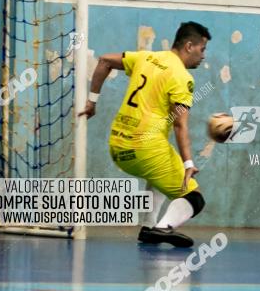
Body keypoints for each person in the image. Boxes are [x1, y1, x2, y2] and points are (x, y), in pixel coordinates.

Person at [78, 21, 211, 247]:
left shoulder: (144, 57)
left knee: (159, 174)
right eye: (202, 49)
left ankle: (148, 227)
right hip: (145, 148)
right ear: (189, 46)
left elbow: (104, 61)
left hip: (118, 146)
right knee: (195, 198)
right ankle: (163, 228)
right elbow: (180, 125)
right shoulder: (182, 77)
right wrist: (188, 162)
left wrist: (92, 102)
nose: (203, 56)